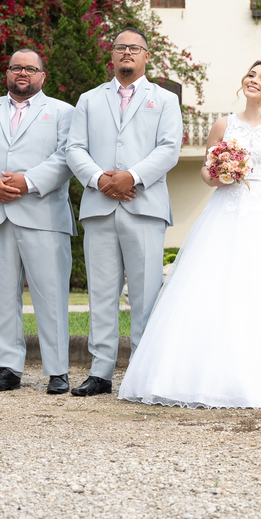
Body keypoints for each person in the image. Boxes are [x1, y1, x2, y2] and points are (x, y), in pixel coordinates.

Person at [118, 62, 261, 407]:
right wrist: (219, 174)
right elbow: (206, 173)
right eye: (251, 75)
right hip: (225, 212)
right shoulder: (224, 125)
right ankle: (207, 376)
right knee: (215, 286)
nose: (254, 80)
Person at [66, 27, 182, 398]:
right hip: (100, 207)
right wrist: (100, 179)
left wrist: (131, 177)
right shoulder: (89, 99)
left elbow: (169, 149)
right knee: (101, 294)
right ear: (112, 55)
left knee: (146, 295)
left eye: (134, 48)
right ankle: (100, 372)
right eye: (120, 47)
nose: (127, 52)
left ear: (147, 55)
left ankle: (142, 374)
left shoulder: (164, 99)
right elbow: (74, 148)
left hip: (144, 207)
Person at [0, 49, 75, 394]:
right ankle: (7, 368)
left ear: (42, 76)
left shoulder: (63, 111)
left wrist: (29, 181)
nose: (23, 73)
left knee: (51, 296)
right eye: (16, 68)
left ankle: (57, 371)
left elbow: (67, 157)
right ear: (7, 73)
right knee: (1, 296)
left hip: (44, 214)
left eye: (30, 69)